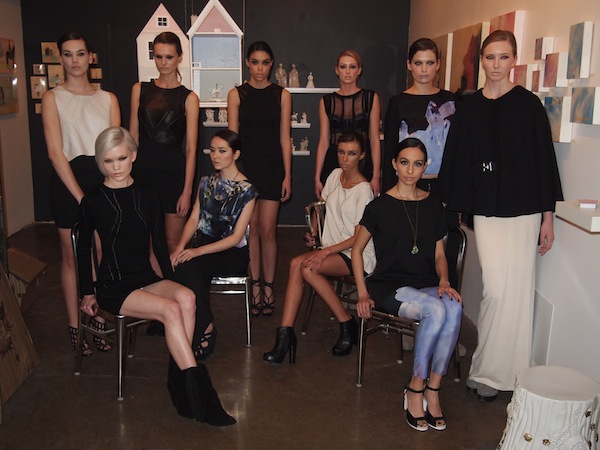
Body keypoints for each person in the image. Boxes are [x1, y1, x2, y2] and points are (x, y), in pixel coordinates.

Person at [77, 126, 235, 426]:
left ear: (133, 155)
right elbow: (83, 248)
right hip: (114, 285)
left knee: (186, 298)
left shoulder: (148, 193)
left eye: (122, 158)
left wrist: (172, 278)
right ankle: (200, 394)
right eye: (108, 161)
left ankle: (178, 380)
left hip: (145, 277)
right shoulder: (93, 201)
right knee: (171, 309)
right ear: (100, 162)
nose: (116, 167)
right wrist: (87, 291)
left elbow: (160, 245)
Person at [438, 30, 563, 401]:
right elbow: (457, 159)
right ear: (482, 60)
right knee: (495, 290)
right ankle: (489, 368)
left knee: (518, 290)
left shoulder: (529, 105)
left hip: (526, 210)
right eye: (490, 57)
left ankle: (503, 374)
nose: (496, 65)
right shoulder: (469, 108)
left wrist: (548, 218)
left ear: (514, 60)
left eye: (503, 57)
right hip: (487, 210)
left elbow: (544, 162)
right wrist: (454, 206)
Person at [353, 137, 463, 432]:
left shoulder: (434, 206)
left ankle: (433, 389)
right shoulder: (378, 207)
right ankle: (415, 389)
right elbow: (356, 250)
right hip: (389, 286)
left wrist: (444, 281)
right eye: (404, 163)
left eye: (417, 164)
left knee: (453, 306)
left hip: (426, 282)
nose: (410, 170)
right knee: (435, 311)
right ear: (394, 165)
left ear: (425, 167)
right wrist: (362, 293)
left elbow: (439, 254)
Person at [263, 132, 376, 364]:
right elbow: (320, 207)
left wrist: (324, 251)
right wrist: (314, 232)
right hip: (332, 249)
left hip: (357, 254)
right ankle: (285, 335)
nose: (345, 158)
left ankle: (346, 323)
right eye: (341, 152)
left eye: (352, 153)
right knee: (295, 264)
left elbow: (358, 239)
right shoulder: (334, 175)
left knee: (307, 268)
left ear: (362, 155)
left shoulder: (364, 190)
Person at [42, 31, 120, 356]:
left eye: (80, 53)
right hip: (67, 182)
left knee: (102, 253)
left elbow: (115, 148)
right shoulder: (52, 98)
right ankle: (75, 326)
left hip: (102, 182)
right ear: (61, 58)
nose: (74, 60)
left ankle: (98, 319)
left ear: (91, 57)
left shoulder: (108, 99)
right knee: (72, 255)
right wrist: (80, 196)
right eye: (68, 54)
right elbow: (55, 152)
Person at [171, 130, 257, 361]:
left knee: (190, 267)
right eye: (212, 150)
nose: (215, 156)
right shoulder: (206, 182)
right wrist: (179, 248)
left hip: (231, 253)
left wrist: (196, 251)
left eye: (222, 151)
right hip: (204, 246)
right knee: (181, 264)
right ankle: (203, 322)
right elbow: (193, 219)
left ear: (235, 154)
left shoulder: (247, 191)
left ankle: (202, 327)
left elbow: (236, 237)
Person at [227, 41, 292, 317]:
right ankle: (254, 285)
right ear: (247, 63)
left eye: (265, 63)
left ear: (271, 64)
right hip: (246, 169)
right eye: (255, 62)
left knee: (267, 230)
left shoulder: (282, 95)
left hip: (273, 168)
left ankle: (269, 287)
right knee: (251, 229)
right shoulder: (236, 94)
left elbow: (285, 138)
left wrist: (287, 175)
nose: (260, 68)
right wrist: (233, 177)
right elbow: (231, 140)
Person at [129, 31, 199, 253]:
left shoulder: (189, 98)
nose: (163, 63)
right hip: (142, 172)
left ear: (179, 57)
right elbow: (132, 138)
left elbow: (191, 148)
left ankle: (173, 278)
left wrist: (187, 191)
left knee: (173, 243)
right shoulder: (139, 89)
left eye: (169, 57)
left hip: (173, 174)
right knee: (147, 240)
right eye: (158, 56)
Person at [382, 38, 456, 194]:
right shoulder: (398, 103)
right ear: (409, 65)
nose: (424, 69)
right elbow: (389, 151)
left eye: (429, 63)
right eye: (418, 63)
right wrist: (388, 194)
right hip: (406, 187)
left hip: (444, 185)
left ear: (438, 64)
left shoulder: (451, 101)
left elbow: (457, 148)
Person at [314, 50, 381, 198]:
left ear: (359, 70)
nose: (348, 72)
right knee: (331, 206)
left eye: (352, 67)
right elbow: (324, 141)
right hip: (334, 161)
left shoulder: (370, 98)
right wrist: (317, 176)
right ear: (337, 70)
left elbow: (375, 140)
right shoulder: (326, 101)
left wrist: (376, 175)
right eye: (343, 67)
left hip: (362, 162)